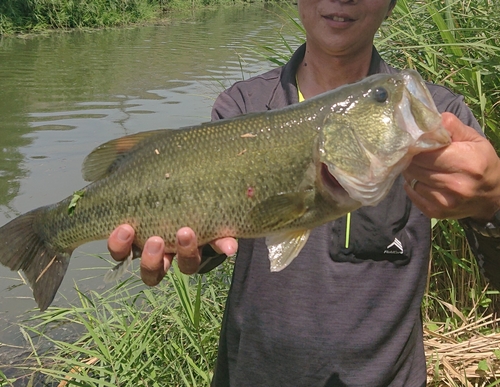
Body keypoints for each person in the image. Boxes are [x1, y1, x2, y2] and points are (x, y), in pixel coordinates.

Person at [107, 0, 500, 385]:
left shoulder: (432, 116)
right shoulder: (243, 106)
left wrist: (493, 202)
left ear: (392, 4)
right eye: (381, 96)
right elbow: (217, 234)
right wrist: (185, 243)